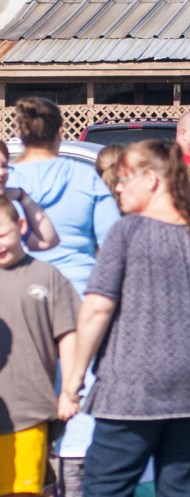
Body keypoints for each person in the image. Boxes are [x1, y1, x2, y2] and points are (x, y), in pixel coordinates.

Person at [61, 139, 190, 496]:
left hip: (134, 386)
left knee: (106, 485)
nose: (116, 186)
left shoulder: (127, 232)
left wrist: (73, 381)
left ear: (151, 180)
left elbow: (97, 307)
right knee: (182, 488)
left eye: (124, 178)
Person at [7, 97, 121, 494]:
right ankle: (76, 474)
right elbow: (112, 244)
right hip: (81, 297)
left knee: (21, 388)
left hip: (17, 297)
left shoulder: (8, 182)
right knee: (81, 386)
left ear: (20, 136)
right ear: (60, 133)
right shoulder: (86, 178)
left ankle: (32, 475)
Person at [0, 196, 78, 497]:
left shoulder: (47, 276)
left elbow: (69, 335)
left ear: (21, 226)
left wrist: (70, 390)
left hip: (30, 406)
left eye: (3, 234)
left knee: (24, 488)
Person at [0, 139, 59, 250]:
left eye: (4, 166)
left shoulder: (5, 210)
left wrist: (23, 197)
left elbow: (48, 241)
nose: (2, 173)